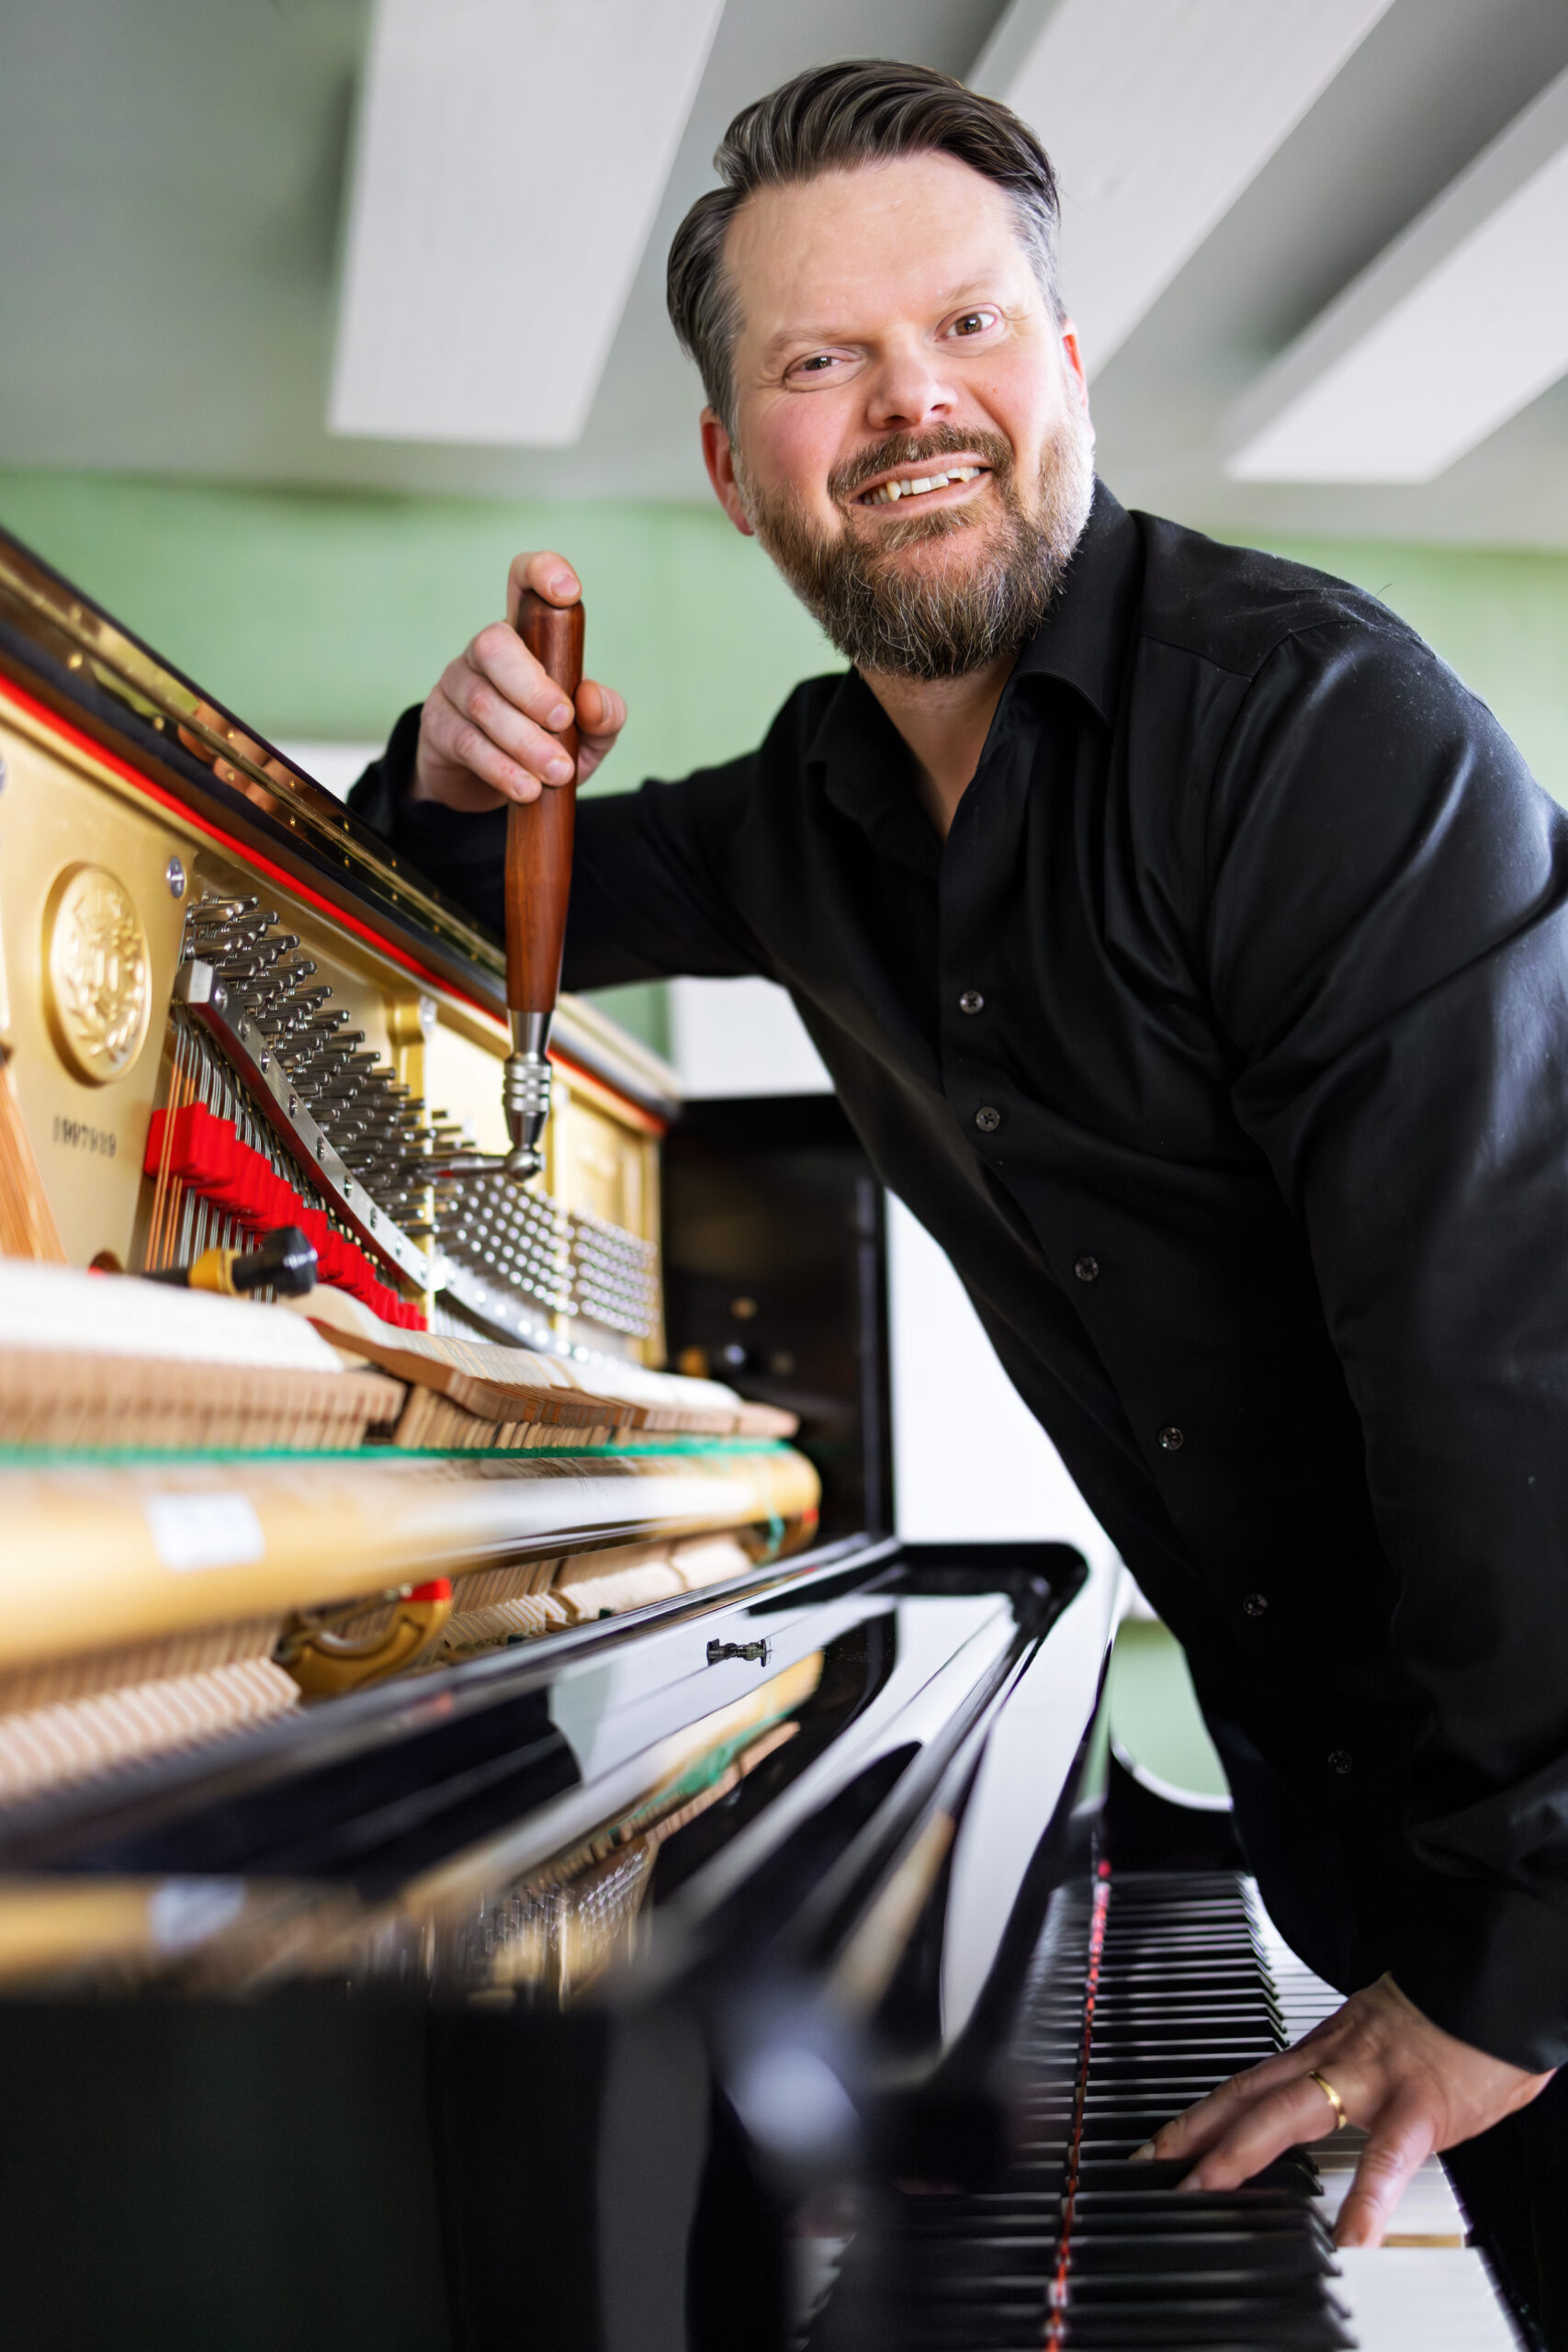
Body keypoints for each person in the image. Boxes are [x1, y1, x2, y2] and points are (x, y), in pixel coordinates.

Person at [351, 59, 1568, 2335]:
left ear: (1067, 368)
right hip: (1380, 1825)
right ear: (736, 468)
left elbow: (1515, 1360)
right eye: (821, 362)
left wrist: (1512, 1966)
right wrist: (445, 775)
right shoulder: (803, 812)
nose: (913, 402)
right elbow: (437, 903)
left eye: (971, 328)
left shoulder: (1317, 737)